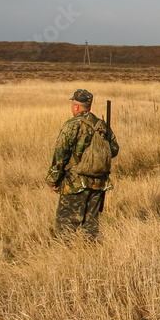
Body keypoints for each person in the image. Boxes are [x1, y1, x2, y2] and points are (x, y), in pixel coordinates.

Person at [45, 88, 119, 240]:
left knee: (66, 222)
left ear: (76, 106)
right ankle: (89, 254)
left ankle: (66, 256)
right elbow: (114, 150)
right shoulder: (101, 125)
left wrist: (54, 180)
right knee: (91, 225)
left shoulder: (72, 125)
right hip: (99, 183)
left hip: (75, 182)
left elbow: (60, 154)